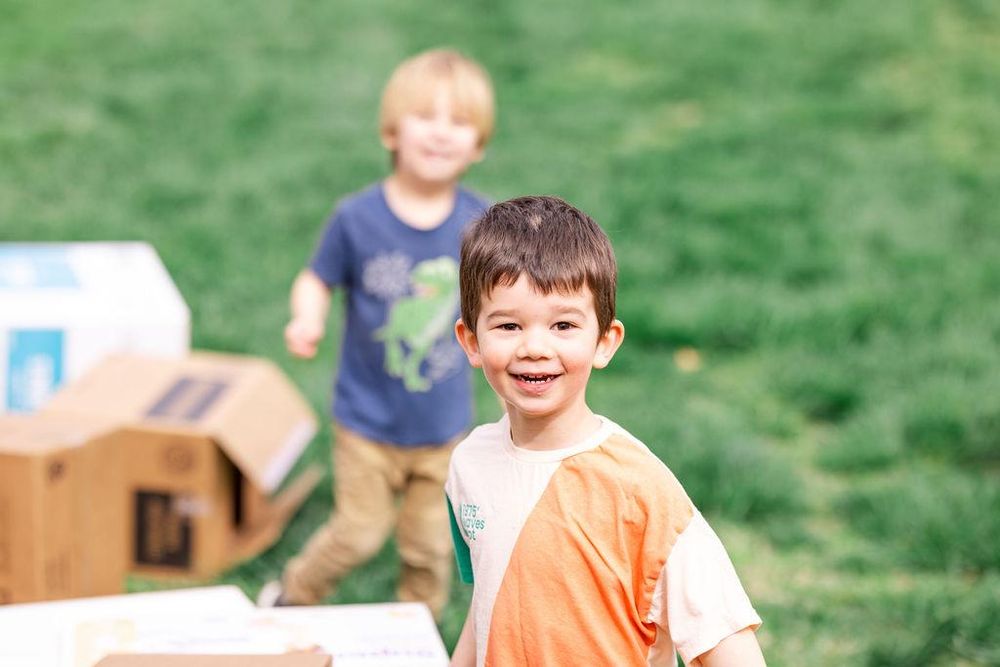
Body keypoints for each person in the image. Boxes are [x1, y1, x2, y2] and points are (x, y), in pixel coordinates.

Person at [446, 196, 766, 666]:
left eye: (563, 325)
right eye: (509, 325)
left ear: (604, 341)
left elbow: (727, 640)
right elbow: (490, 599)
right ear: (472, 341)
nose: (535, 347)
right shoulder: (469, 464)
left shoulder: (642, 492)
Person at [257, 48, 495, 619]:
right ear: (391, 130)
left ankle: (411, 634)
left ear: (478, 145)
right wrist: (307, 317)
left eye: (459, 122)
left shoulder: (482, 225)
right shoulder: (357, 219)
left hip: (442, 431)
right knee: (359, 534)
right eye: (425, 117)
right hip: (366, 424)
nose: (441, 134)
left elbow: (503, 298)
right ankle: (291, 597)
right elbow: (316, 278)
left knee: (430, 548)